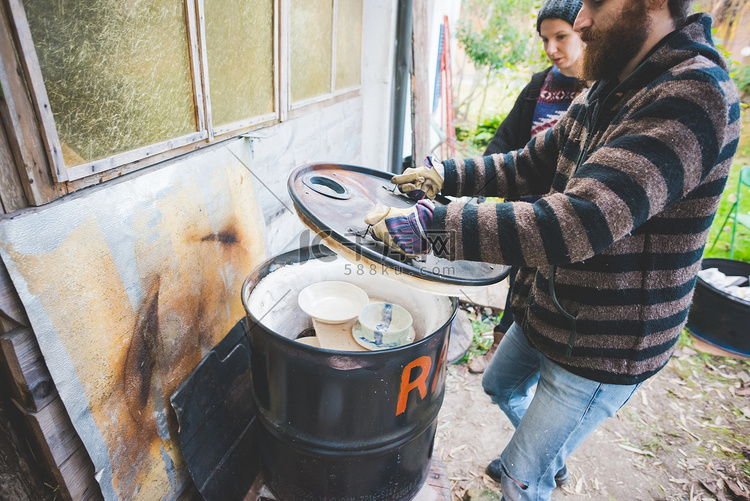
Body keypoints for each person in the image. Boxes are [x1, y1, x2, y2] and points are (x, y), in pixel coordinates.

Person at [365, 0, 741, 499]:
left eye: (596, 2)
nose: (581, 20)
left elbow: (576, 223)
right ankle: (544, 454)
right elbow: (528, 165)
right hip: (555, 308)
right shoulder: (611, 86)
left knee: (520, 481)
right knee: (498, 386)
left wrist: (428, 229)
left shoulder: (693, 95)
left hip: (606, 345)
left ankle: (533, 467)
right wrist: (443, 175)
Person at [470, 0, 587, 375]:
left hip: (569, 221)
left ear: (585, 30)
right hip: (525, 211)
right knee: (518, 282)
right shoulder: (540, 85)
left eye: (561, 37)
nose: (552, 49)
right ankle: (502, 348)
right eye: (545, 39)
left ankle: (544, 365)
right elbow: (505, 143)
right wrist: (470, 187)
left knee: (552, 291)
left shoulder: (599, 93)